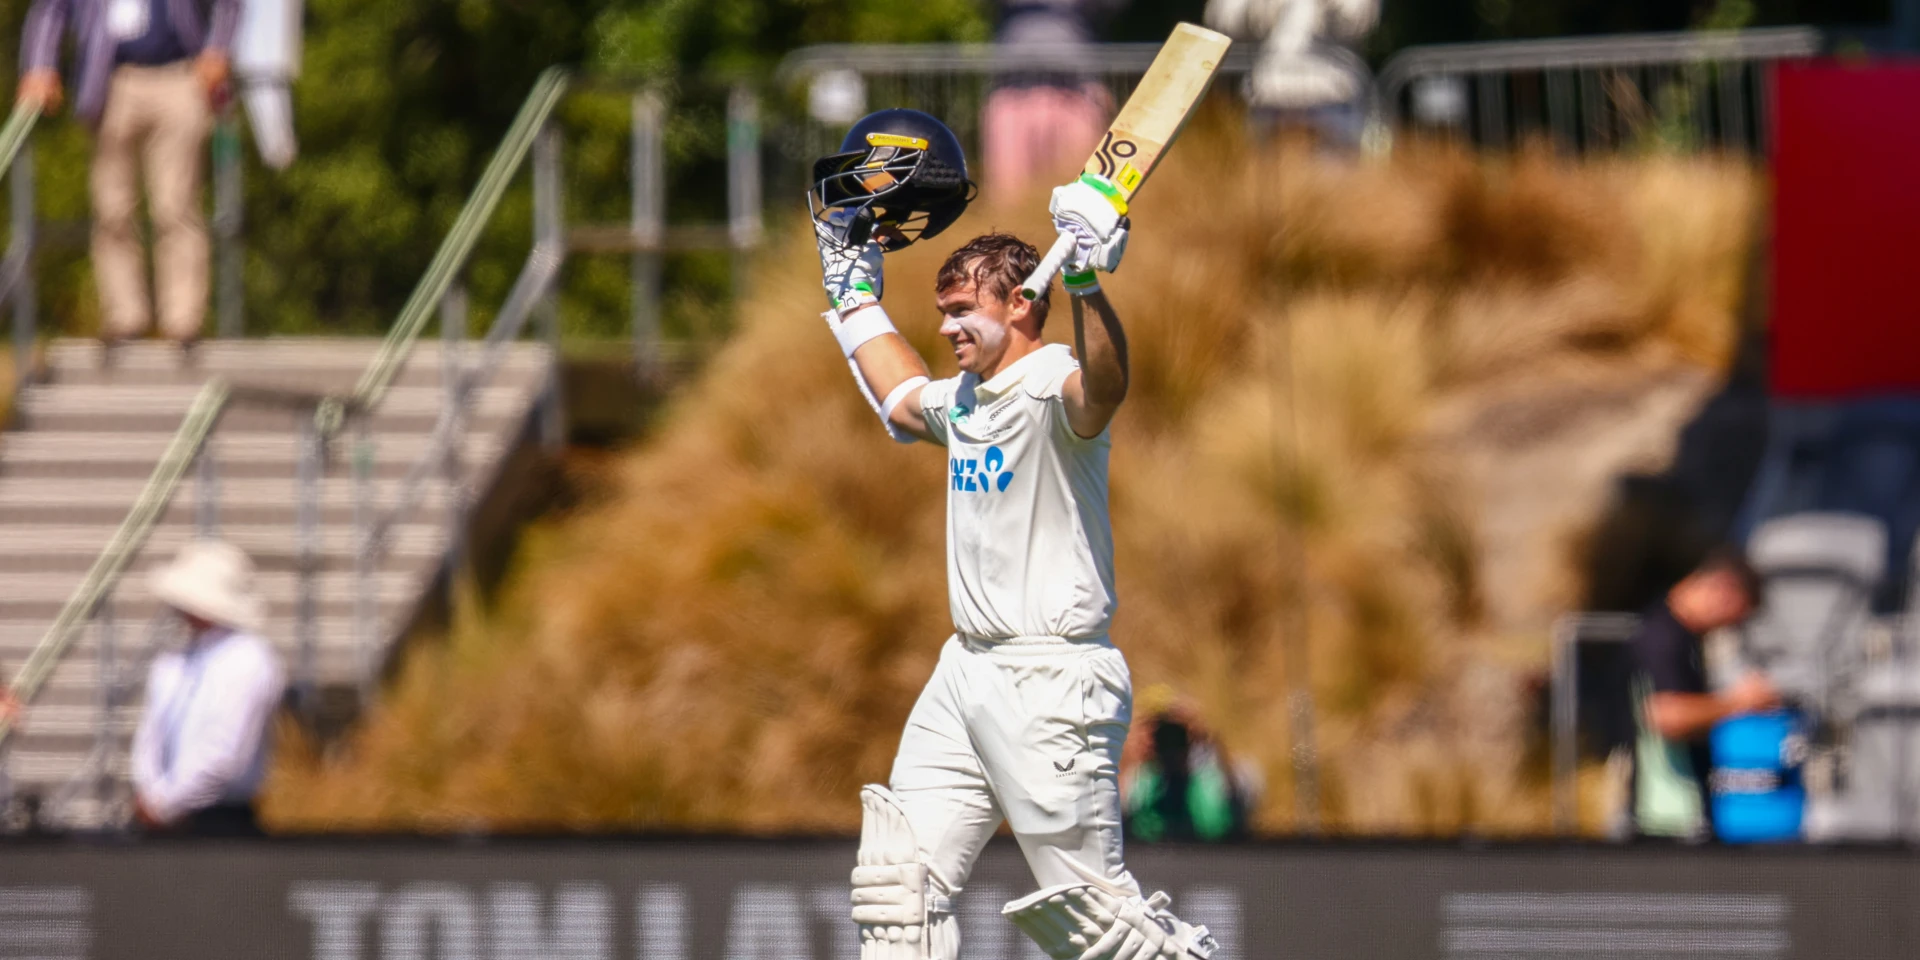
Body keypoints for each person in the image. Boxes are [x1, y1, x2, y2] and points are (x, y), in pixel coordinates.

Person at [814, 111, 1217, 959]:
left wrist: (1087, 285)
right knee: (897, 895)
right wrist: (853, 296)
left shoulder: (1053, 386)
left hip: (1053, 680)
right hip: (965, 672)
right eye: (943, 313)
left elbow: (1105, 387)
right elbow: (896, 395)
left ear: (1019, 305)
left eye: (965, 311)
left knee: (1104, 929)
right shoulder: (961, 404)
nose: (950, 327)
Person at [17, 0, 240, 359]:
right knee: (112, 208)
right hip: (109, 82)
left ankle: (182, 321)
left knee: (177, 204)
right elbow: (51, 8)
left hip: (180, 76)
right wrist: (40, 66)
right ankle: (125, 317)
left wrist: (218, 49)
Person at [129, 539, 283, 836]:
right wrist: (151, 795)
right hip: (166, 818)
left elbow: (224, 754)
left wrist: (165, 803)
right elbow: (149, 737)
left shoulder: (250, 659)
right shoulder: (174, 662)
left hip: (220, 822)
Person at [1629, 547, 1781, 840]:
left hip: (1683, 817)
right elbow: (1666, 715)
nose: (1732, 626)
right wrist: (1741, 701)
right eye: (1738, 615)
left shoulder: (1686, 638)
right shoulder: (1662, 635)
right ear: (1724, 590)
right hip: (1663, 824)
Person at [1120, 689, 1260, 843]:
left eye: (1176, 733)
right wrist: (1130, 750)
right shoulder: (1140, 781)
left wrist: (1211, 738)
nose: (1167, 740)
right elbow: (1114, 809)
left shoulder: (1213, 780)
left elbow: (1239, 798)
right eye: (1159, 734)